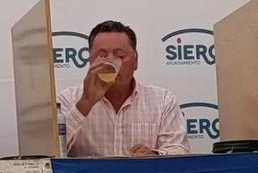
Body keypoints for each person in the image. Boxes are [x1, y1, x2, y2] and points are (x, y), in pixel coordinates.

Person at [58, 21, 190, 157]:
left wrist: (155, 156)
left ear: (136, 61)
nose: (110, 62)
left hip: (142, 172)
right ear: (90, 60)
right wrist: (85, 103)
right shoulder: (67, 100)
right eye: (101, 56)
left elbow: (180, 151)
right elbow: (52, 151)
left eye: (120, 56)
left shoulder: (163, 101)